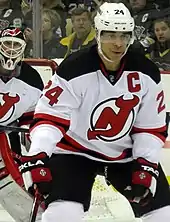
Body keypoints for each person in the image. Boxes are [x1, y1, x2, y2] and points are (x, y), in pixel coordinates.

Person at [19, 2, 170, 222]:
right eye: (110, 35)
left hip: (125, 155)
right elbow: (50, 118)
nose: (118, 43)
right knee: (61, 215)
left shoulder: (146, 71)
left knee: (164, 215)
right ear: (98, 34)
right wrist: (38, 155)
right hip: (75, 151)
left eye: (124, 36)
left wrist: (146, 162)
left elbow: (150, 126)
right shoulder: (74, 68)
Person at [0, 27, 44, 222]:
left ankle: (35, 217)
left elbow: (32, 116)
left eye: (15, 44)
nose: (10, 49)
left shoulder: (32, 78)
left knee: (16, 181)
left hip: (9, 140)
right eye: (6, 44)